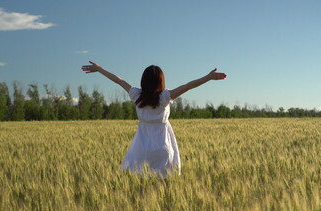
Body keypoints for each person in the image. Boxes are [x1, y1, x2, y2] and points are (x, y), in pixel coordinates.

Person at [81, 61, 227, 178]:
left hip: (141, 148)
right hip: (163, 146)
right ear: (160, 81)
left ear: (143, 81)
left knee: (139, 181)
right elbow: (188, 86)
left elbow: (119, 80)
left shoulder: (136, 95)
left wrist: (99, 69)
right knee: (165, 182)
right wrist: (208, 77)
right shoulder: (164, 97)